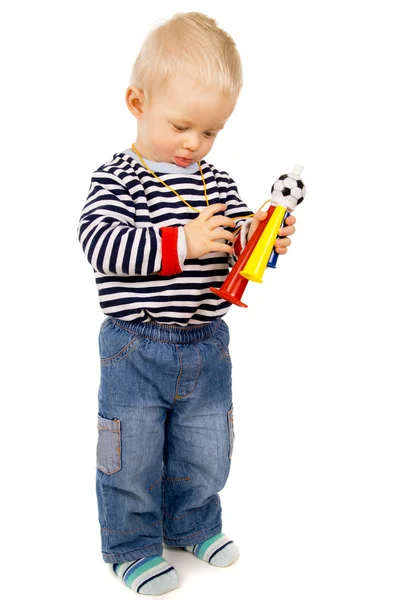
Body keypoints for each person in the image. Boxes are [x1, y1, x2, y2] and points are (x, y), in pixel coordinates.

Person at [77, 11, 296, 596]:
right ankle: (131, 544)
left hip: (207, 345)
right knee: (132, 450)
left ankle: (193, 522)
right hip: (136, 344)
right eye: (182, 126)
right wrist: (181, 241)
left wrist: (260, 238)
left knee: (207, 445)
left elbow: (229, 261)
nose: (193, 144)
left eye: (210, 132)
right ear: (136, 100)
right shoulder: (118, 178)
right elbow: (101, 244)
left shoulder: (217, 183)